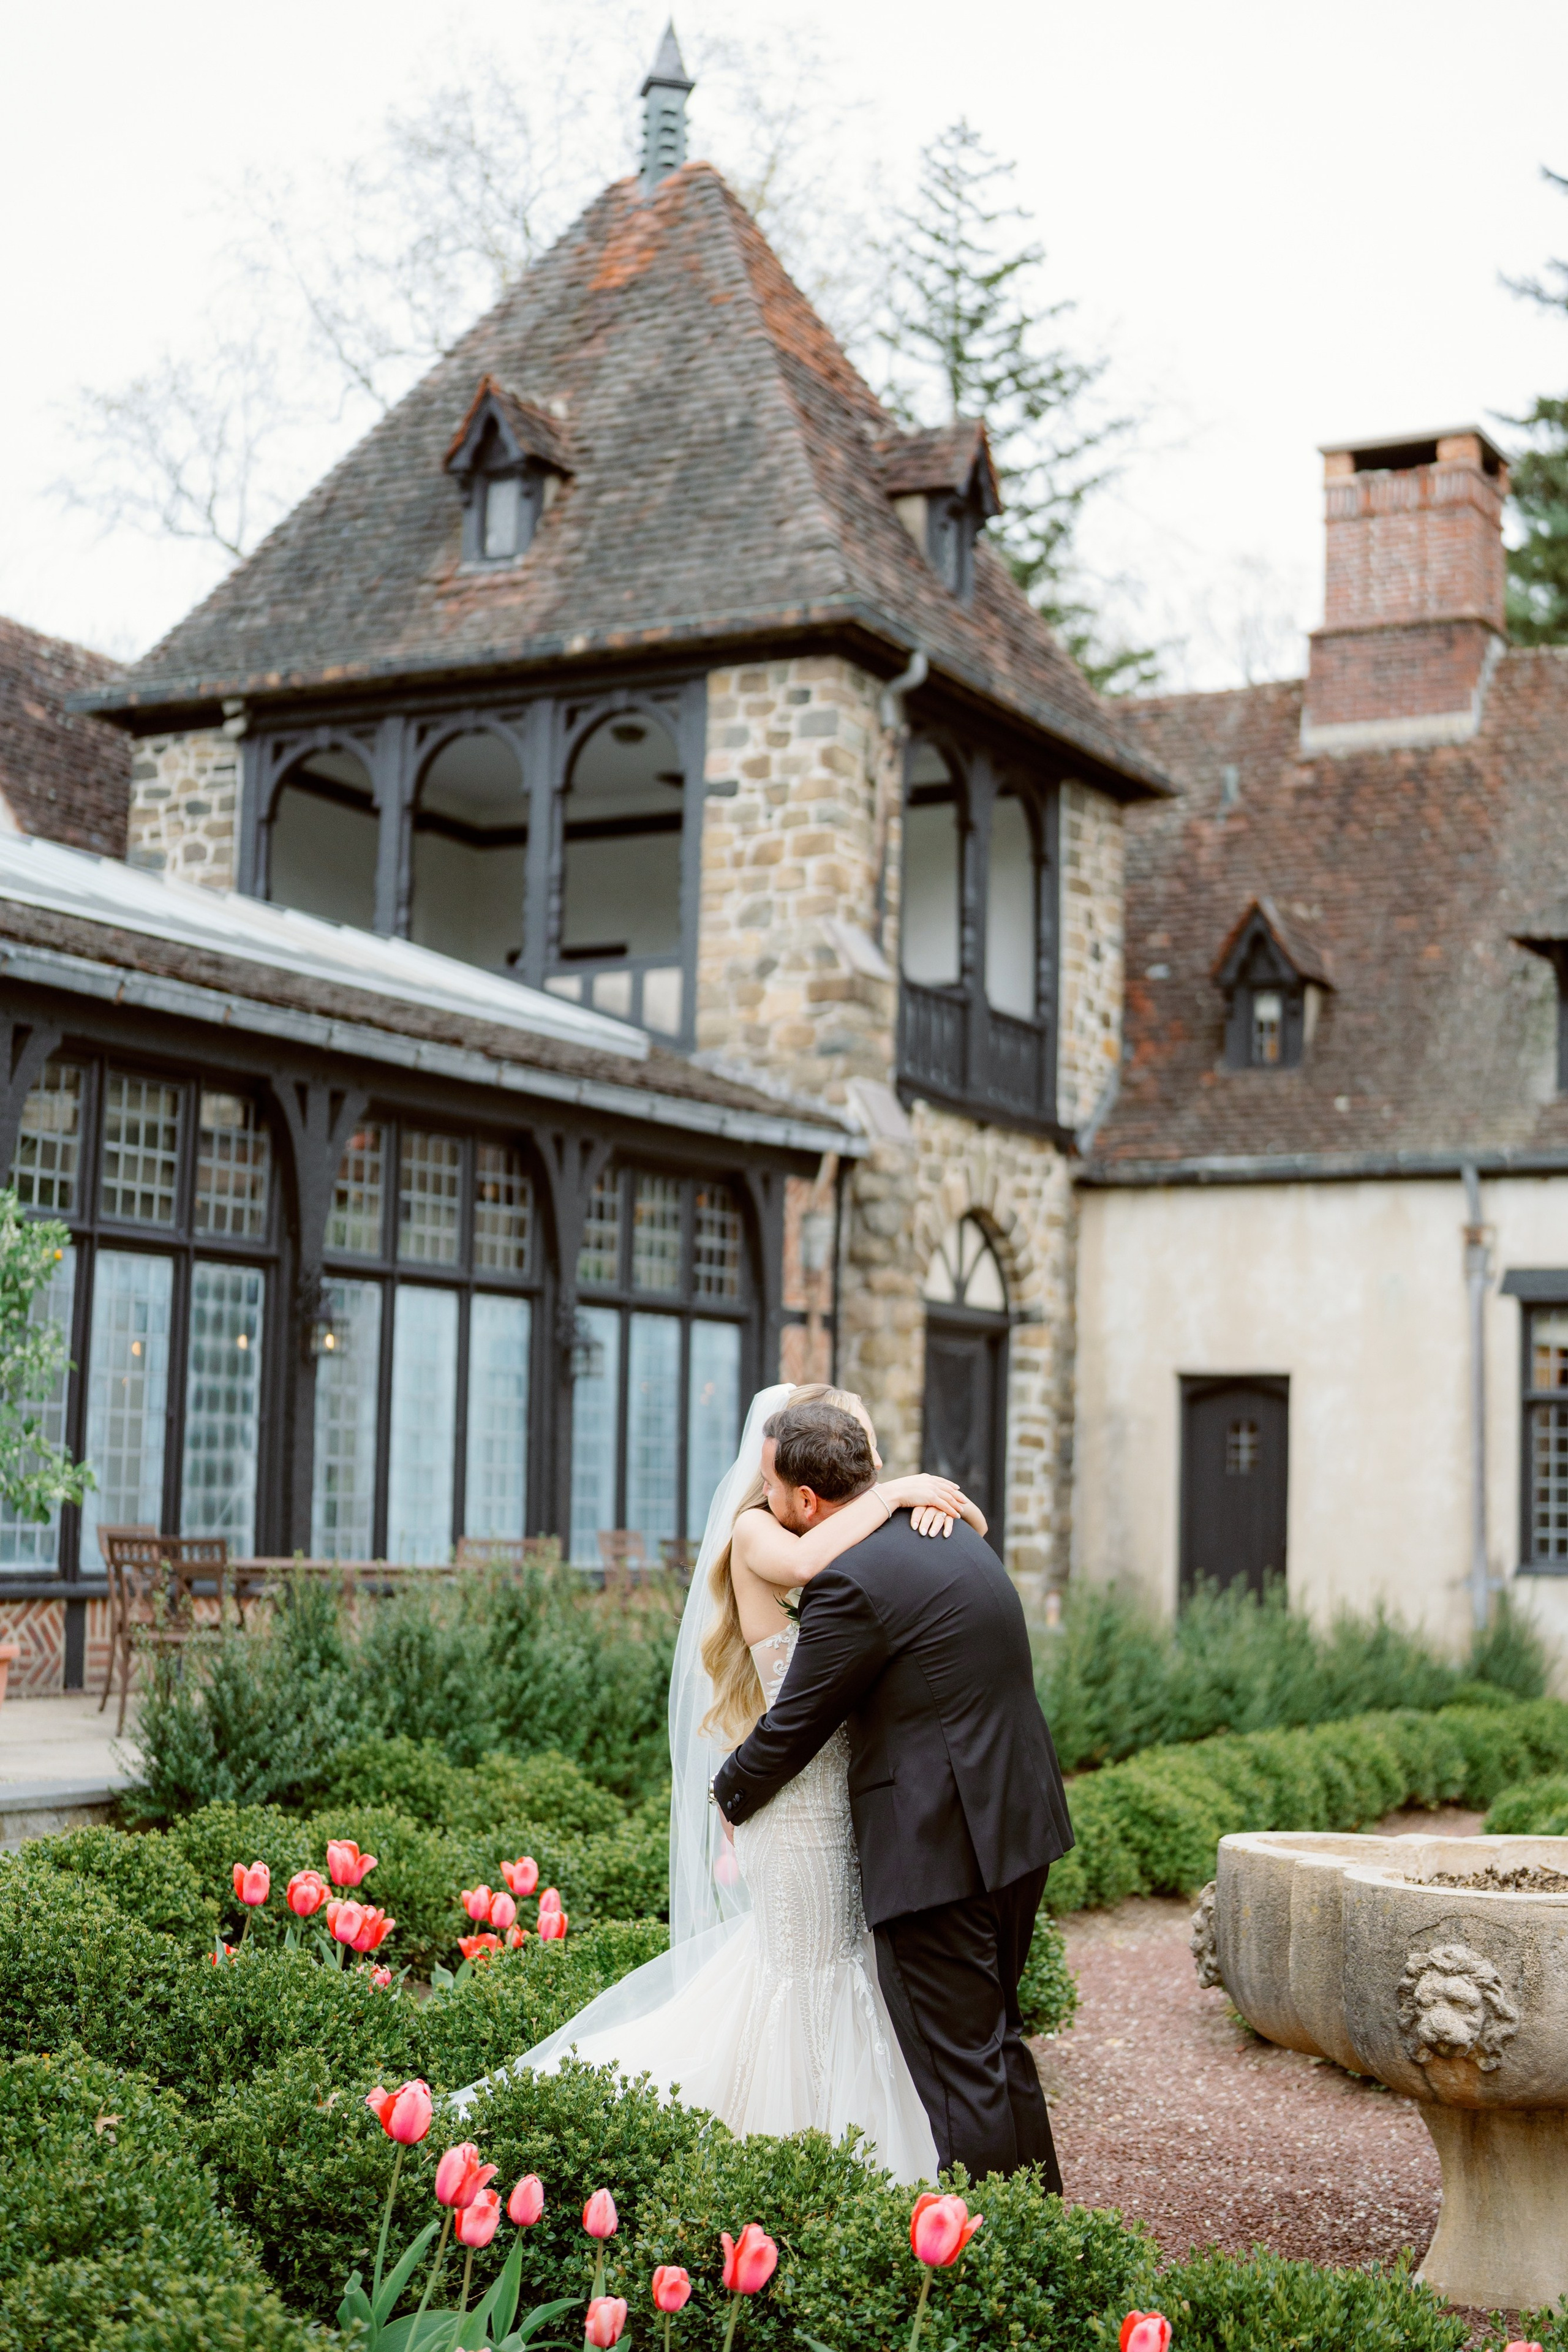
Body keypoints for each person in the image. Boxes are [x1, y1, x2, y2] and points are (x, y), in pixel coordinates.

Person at [454, 1381, 984, 2182]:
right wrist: (904, 1493)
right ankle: (788, 2160)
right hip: (797, 1803)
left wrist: (931, 1509)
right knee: (806, 1974)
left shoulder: (854, 1525)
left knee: (847, 1970)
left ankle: (847, 2154)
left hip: (851, 1792)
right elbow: (808, 1563)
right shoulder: (756, 1535)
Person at [712, 1395, 1075, 2187]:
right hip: (1018, 1825)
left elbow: (796, 1726)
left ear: (806, 1501)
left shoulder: (851, 1581)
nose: (764, 1503)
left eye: (771, 1489)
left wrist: (728, 1792)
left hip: (938, 1850)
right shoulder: (957, 1536)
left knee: (960, 2076)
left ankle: (985, 2266)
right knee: (996, 2044)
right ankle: (1045, 2237)